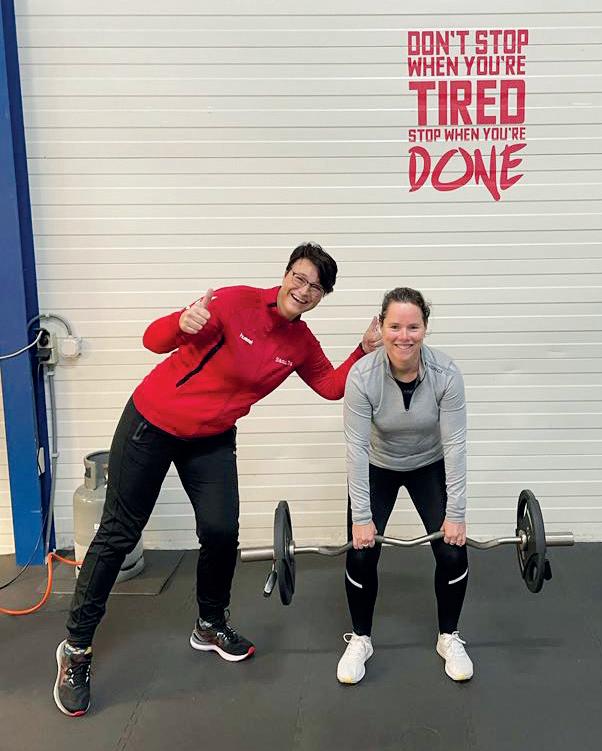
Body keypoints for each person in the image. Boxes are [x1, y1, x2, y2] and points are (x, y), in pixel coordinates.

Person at [53, 242, 382, 717]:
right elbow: (152, 340)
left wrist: (364, 349)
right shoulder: (234, 302)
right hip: (153, 422)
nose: (304, 290)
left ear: (322, 296)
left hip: (210, 438)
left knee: (222, 531)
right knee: (119, 533)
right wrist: (180, 323)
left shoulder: (300, 344)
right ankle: (76, 649)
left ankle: (209, 624)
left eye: (316, 287)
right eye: (299, 277)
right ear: (285, 274)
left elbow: (331, 386)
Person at [337, 287, 472, 684]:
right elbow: (356, 449)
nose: (404, 336)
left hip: (428, 463)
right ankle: (361, 639)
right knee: (361, 555)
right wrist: (362, 518)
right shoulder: (362, 377)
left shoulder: (446, 374)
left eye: (413, 327)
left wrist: (456, 514)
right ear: (381, 327)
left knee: (453, 552)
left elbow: (456, 445)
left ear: (425, 328)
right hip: (378, 465)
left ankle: (449, 637)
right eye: (394, 326)